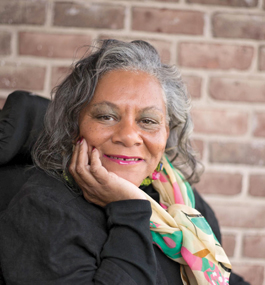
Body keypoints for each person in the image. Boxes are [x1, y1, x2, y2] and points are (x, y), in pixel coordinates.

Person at [0, 39, 250, 285]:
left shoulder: (179, 198)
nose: (128, 136)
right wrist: (128, 209)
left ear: (167, 131)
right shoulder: (44, 210)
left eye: (148, 121)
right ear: (73, 125)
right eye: (106, 116)